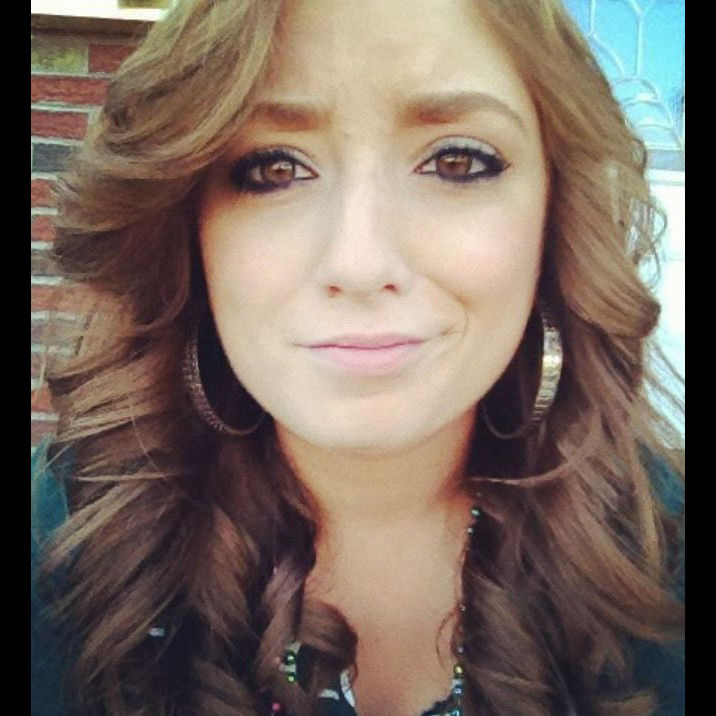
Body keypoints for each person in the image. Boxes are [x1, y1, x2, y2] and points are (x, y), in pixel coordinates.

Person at [31, 0, 684, 714]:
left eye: (457, 161)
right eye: (274, 168)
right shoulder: (65, 539)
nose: (360, 263)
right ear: (187, 226)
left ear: (555, 215)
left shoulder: (664, 552)